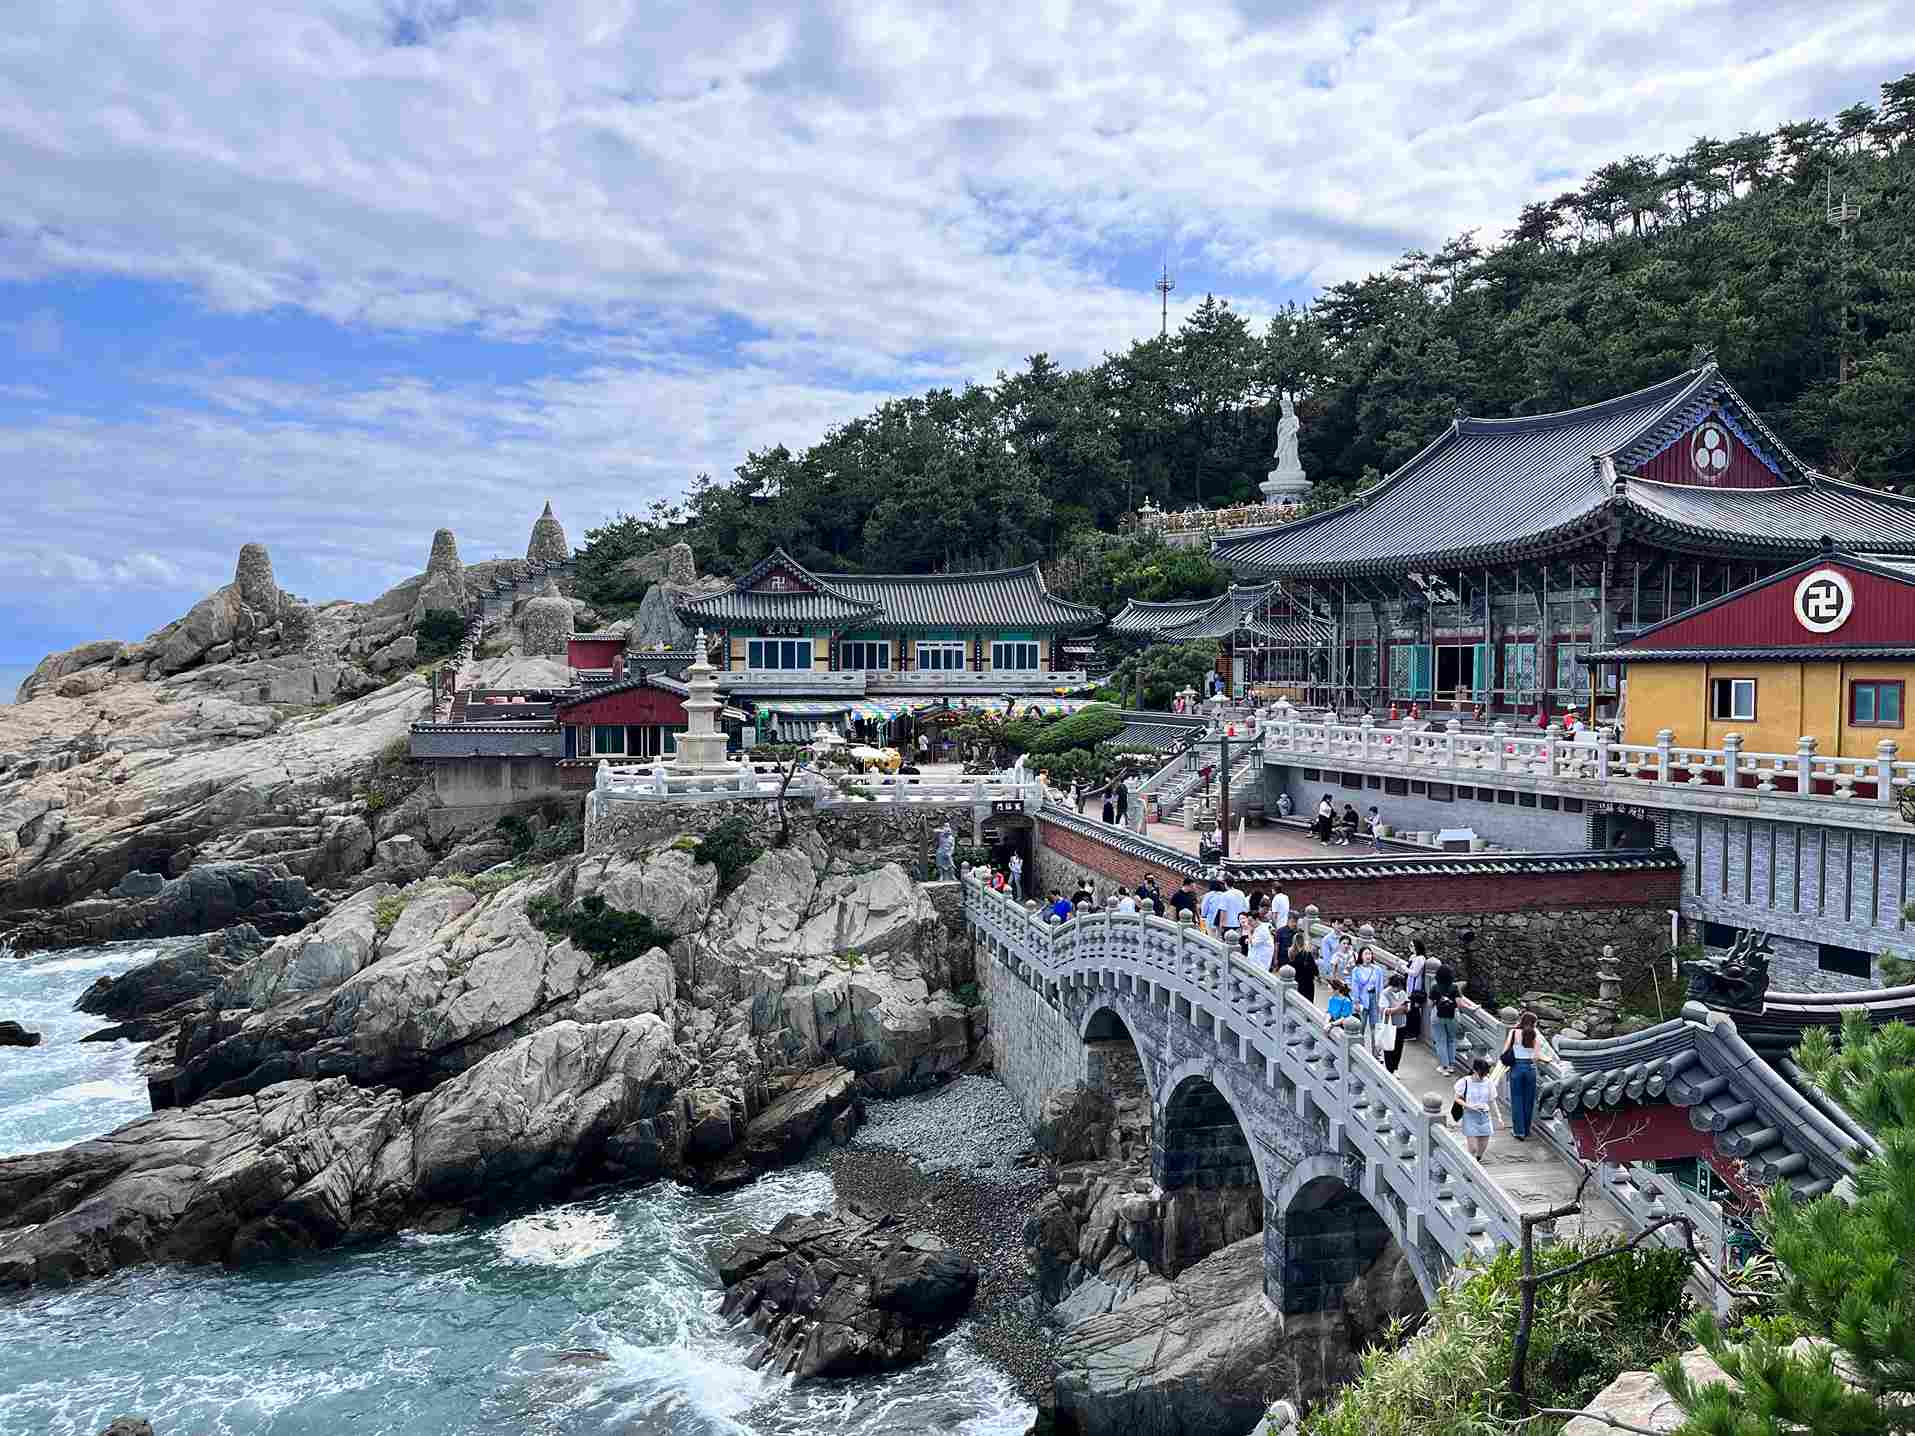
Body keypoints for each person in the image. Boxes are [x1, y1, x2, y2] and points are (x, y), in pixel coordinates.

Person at [1502, 1010, 1554, 1141]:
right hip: (1530, 1069)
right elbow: (1536, 1056)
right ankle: (1526, 1129)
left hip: (1516, 1068)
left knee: (1517, 1099)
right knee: (1528, 1100)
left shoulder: (1514, 1032)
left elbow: (1505, 1050)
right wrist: (1546, 1059)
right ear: (1533, 1023)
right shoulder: (1534, 1034)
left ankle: (1518, 1131)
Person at [1456, 1058, 1498, 1159]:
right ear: (1474, 1071)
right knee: (1473, 1148)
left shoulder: (1488, 1082)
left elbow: (1492, 1100)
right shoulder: (1464, 1082)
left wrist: (1498, 1117)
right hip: (1470, 1115)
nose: (1483, 1076)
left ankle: (1477, 1159)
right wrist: (1469, 1106)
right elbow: (1457, 1098)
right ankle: (1470, 1164)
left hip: (1484, 1115)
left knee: (1482, 1145)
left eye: (1485, 1074)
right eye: (1482, 1074)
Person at [1350, 946, 1384, 1053]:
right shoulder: (1356, 970)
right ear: (1361, 956)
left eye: (1370, 954)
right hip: (1362, 999)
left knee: (1375, 1026)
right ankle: (1359, 1051)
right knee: (1361, 1026)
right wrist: (1356, 1001)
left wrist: (1381, 1001)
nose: (1368, 956)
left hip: (1374, 998)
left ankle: (1376, 1052)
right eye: (1366, 954)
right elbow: (1355, 986)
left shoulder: (1377, 969)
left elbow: (1381, 986)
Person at [1430, 974, 1462, 1074]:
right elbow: (1459, 1004)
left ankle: (1444, 1067)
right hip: (1452, 1016)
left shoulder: (1435, 987)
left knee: (1440, 1041)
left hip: (1437, 1016)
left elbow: (1430, 1003)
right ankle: (1451, 1066)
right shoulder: (1455, 987)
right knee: (1451, 1040)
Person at [1380, 973, 1410, 1072]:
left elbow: (1407, 1009)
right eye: (1397, 986)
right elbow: (1384, 1010)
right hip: (1389, 1025)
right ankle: (1389, 1069)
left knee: (1399, 1047)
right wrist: (1398, 1009)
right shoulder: (1385, 993)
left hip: (1401, 1023)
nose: (1398, 989)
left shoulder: (1403, 993)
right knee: (1389, 1047)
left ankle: (1395, 1068)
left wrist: (1403, 1008)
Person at [1285, 918, 1316, 1001]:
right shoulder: (1307, 954)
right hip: (1308, 983)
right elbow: (1315, 971)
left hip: (1296, 982)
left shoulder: (1290, 953)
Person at [1404, 939, 1428, 1043]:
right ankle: (1408, 1031)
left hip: (1415, 988)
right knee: (1409, 1009)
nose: (1411, 948)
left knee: (1413, 1011)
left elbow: (1414, 973)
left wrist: (1403, 968)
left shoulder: (1420, 959)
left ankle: (1413, 1033)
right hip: (1409, 986)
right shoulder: (1413, 957)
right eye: (1410, 945)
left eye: (1412, 946)